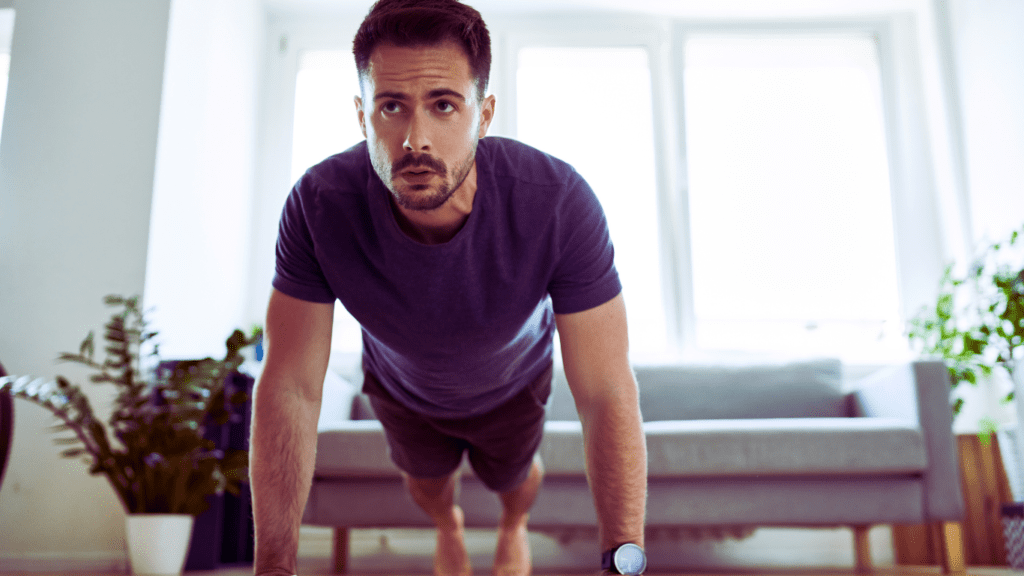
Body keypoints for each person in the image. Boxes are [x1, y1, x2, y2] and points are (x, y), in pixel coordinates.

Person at [249, 1, 647, 575]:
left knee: (514, 481)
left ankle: (513, 525)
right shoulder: (318, 206)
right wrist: (272, 567)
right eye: (392, 107)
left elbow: (607, 390)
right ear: (362, 115)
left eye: (443, 105)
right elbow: (290, 386)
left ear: (483, 114)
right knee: (428, 488)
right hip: (404, 390)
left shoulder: (557, 202)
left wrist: (624, 565)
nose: (416, 139)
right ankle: (448, 524)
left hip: (513, 385)